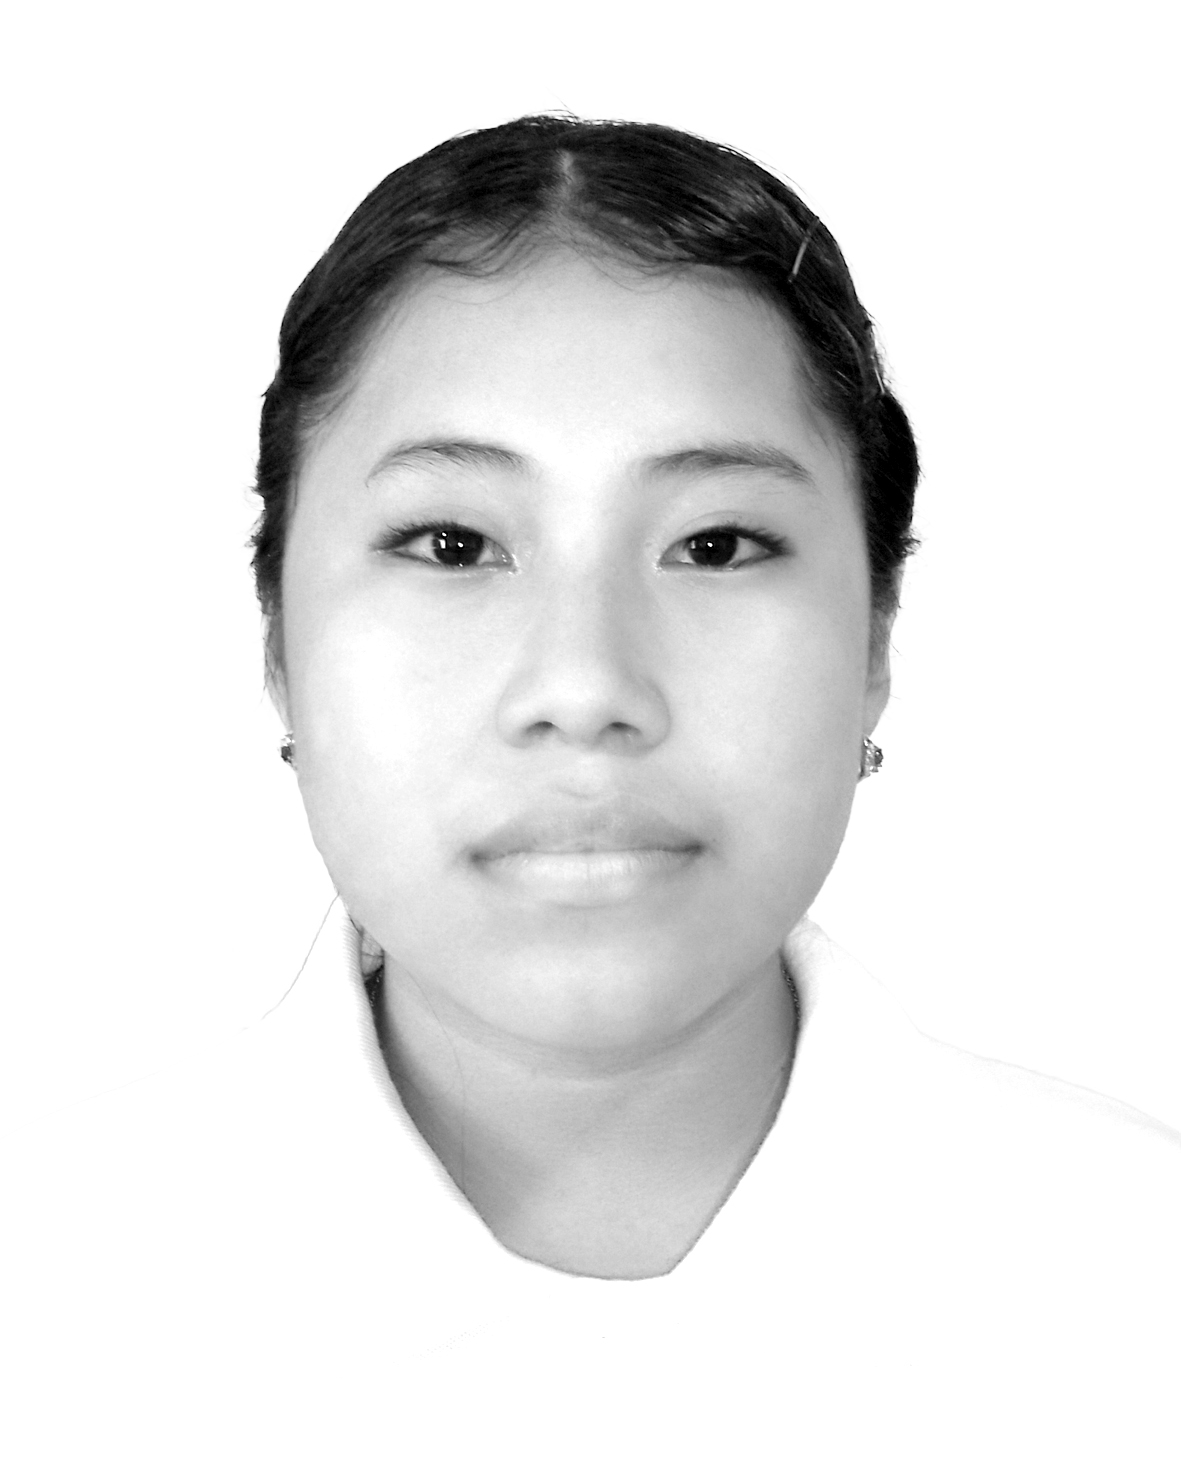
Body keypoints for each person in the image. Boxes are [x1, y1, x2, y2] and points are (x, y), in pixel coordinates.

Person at [6, 113, 1180, 1464]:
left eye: (715, 544)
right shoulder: (42, 1305)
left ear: (875, 641)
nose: (583, 684)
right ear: (278, 643)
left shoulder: (1141, 1286)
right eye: (452, 544)